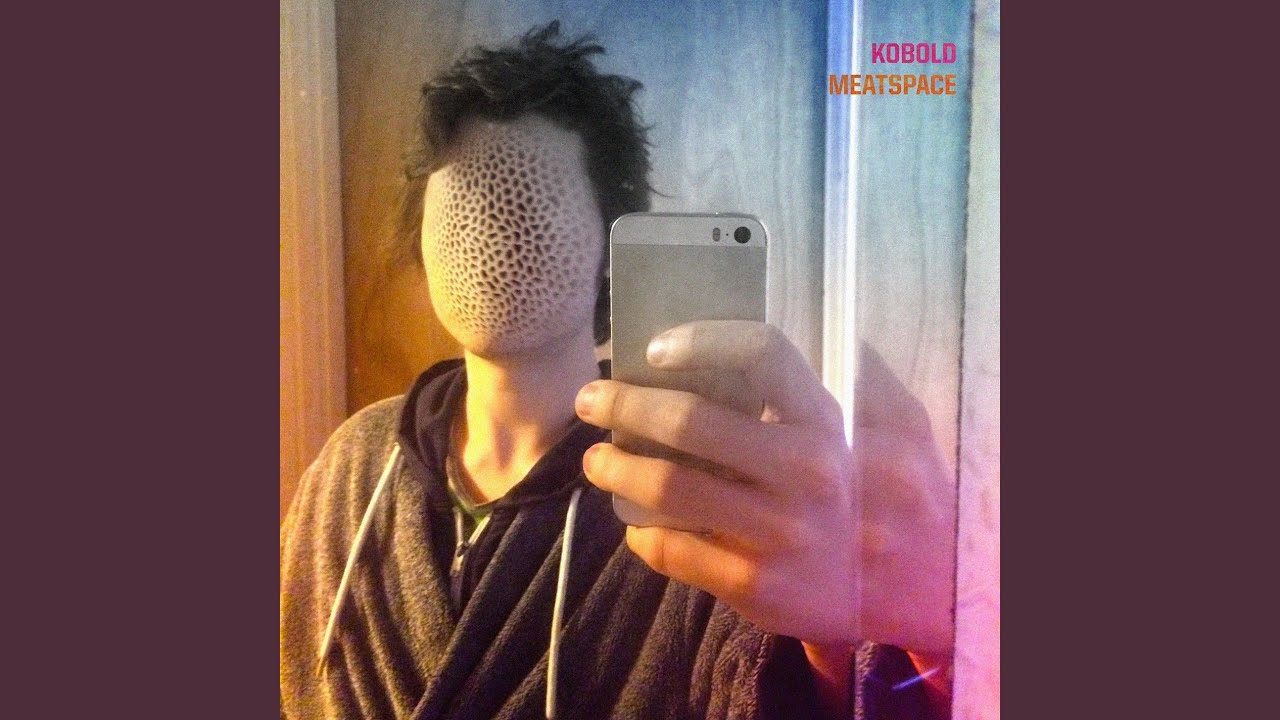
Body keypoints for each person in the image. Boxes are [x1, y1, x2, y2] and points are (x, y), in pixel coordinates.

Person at [281, 22, 955, 720]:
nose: (493, 229)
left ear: (610, 247)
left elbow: (774, 675)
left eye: (530, 200)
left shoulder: (688, 482)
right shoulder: (352, 462)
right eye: (465, 203)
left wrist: (898, 639)